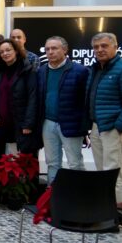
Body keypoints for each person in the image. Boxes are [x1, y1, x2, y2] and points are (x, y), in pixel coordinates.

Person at [37, 36, 88, 183]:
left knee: (75, 162)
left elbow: (85, 100)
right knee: (52, 162)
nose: (50, 52)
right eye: (47, 49)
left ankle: (78, 193)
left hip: (71, 123)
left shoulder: (80, 71)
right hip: (48, 122)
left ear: (65, 50)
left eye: (54, 48)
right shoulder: (41, 71)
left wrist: (84, 125)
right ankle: (52, 192)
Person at [0, 39, 39, 163]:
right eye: (1, 52)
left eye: (8, 50)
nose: (5, 53)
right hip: (0, 121)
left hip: (20, 122)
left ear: (16, 51)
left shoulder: (28, 70)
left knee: (24, 159)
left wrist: (28, 124)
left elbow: (33, 98)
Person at [86, 32, 122, 207]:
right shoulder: (96, 69)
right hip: (97, 126)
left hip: (113, 127)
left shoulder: (121, 68)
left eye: (104, 46)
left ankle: (118, 208)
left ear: (115, 47)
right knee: (102, 169)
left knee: (115, 170)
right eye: (96, 47)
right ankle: (105, 206)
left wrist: (118, 126)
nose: (99, 50)